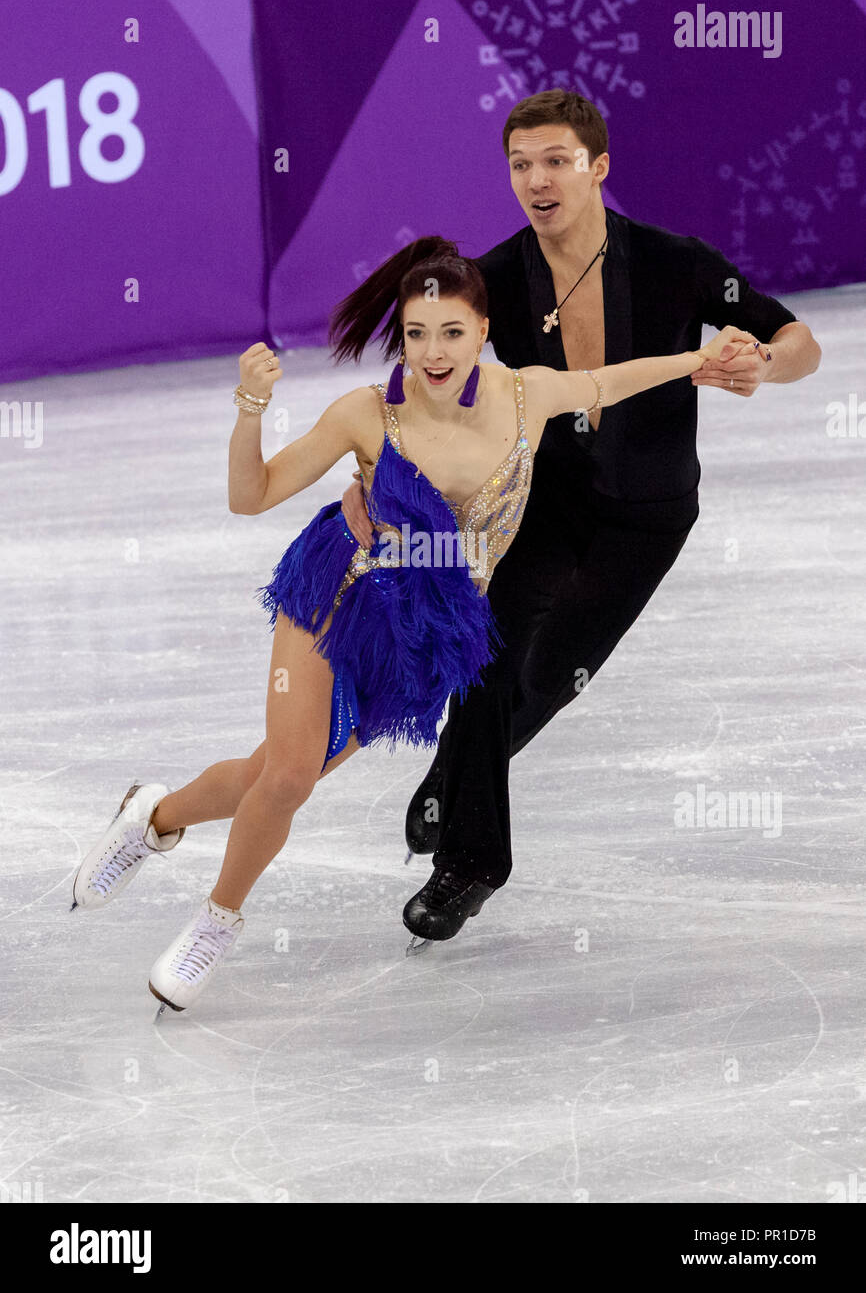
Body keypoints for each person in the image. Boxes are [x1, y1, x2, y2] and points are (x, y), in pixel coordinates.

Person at [69, 236, 747, 1014]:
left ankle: (152, 817)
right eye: (417, 333)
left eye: (452, 333)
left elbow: (604, 380)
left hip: (424, 635)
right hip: (339, 591)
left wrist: (695, 362)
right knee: (289, 776)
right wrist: (250, 408)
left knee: (274, 776)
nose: (432, 350)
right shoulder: (368, 413)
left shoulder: (526, 396)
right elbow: (249, 496)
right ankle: (218, 921)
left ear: (482, 331)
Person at [339, 88, 822, 944]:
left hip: (649, 515)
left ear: (598, 167)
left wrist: (760, 367)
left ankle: (455, 774)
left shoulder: (675, 261)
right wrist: (374, 464)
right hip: (547, 498)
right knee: (486, 657)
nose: (537, 179)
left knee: (550, 676)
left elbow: (797, 340)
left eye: (556, 160)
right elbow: (429, 366)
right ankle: (470, 864)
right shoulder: (494, 280)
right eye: (521, 164)